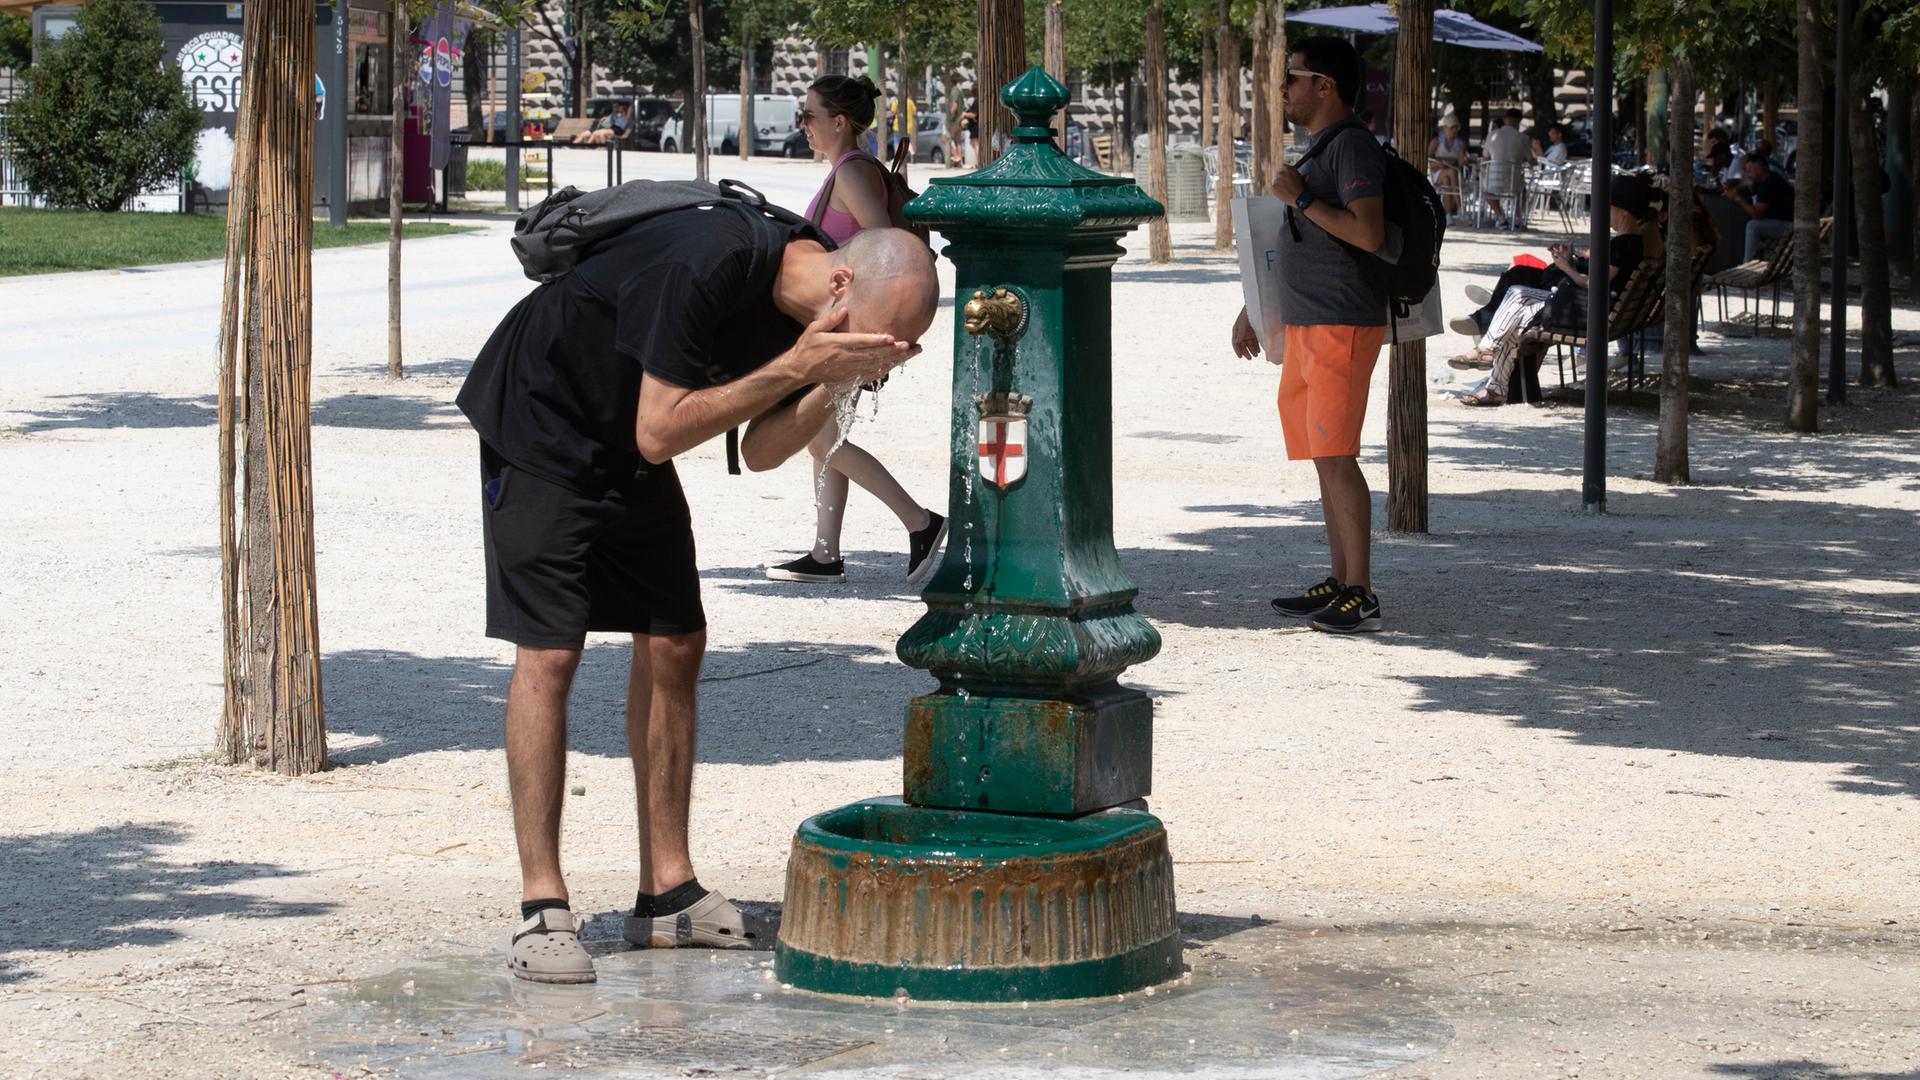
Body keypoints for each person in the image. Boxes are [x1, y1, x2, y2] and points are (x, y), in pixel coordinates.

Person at [456, 191, 940, 983]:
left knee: (677, 639)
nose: (872, 355)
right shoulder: (708, 259)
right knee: (550, 654)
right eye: (871, 340)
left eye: (889, 352)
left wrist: (836, 379)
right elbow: (662, 429)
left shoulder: (816, 319)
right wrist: (800, 363)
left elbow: (762, 449)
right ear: (843, 283)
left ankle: (668, 893)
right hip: (545, 421)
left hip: (632, 441)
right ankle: (543, 908)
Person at [1228, 35, 1388, 634]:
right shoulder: (1325, 148)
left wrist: (1302, 199)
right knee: (1323, 454)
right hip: (1309, 322)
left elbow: (1367, 233)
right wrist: (1256, 307)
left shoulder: (1351, 149)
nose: (1284, 90)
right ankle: (1342, 578)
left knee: (1337, 455)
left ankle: (1361, 591)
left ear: (1325, 85)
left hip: (1339, 323)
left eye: (1292, 78)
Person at [764, 75, 947, 585]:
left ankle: (921, 522)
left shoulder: (851, 172)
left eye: (809, 116)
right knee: (825, 437)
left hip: (848, 326)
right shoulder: (851, 170)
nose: (803, 126)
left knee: (822, 440)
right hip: (843, 323)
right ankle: (826, 553)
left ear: (838, 122)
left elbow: (883, 245)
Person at [1449, 176, 1662, 406]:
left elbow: (1595, 284)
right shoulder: (1633, 243)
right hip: (1591, 309)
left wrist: (1565, 267)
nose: (1605, 213)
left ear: (1623, 212)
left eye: (1608, 208)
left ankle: (1485, 350)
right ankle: (1496, 387)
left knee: (1517, 294)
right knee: (1516, 312)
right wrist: (1570, 261)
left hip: (1583, 311)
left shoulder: (1623, 245)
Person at [1726, 151, 1793, 262]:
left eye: (1749, 171)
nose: (1748, 175)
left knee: (1753, 226)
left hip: (1788, 226)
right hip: (1782, 221)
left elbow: (1757, 214)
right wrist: (1734, 190)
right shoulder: (1766, 179)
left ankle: (1747, 264)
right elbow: (1750, 189)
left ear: (1758, 168)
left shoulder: (1769, 184)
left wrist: (1738, 198)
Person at [1482, 108, 1530, 224]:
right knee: (1523, 190)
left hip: (1494, 181)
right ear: (1519, 121)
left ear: (1505, 119)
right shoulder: (1523, 137)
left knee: (1485, 190)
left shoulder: (1492, 135)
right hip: (1514, 183)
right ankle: (1517, 218)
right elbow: (1530, 160)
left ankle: (1500, 216)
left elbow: (1485, 158)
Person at [1428, 116, 1466, 216]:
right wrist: (1438, 163)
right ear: (1445, 128)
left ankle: (1448, 214)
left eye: (1456, 128)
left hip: (1450, 174)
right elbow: (1427, 159)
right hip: (1436, 173)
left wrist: (1464, 160)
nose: (1455, 130)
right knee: (1451, 172)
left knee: (1447, 179)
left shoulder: (1460, 143)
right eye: (1452, 127)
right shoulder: (1436, 141)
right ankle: (1460, 206)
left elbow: (1461, 160)